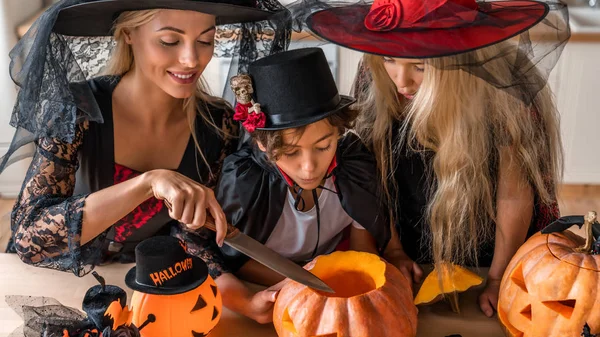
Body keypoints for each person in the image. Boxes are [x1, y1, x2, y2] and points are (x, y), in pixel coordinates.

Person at [297, 0, 570, 316]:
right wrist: (393, 251)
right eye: (389, 60)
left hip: (485, 249)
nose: (401, 81)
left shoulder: (504, 91)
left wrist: (498, 279)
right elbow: (375, 175)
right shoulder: (379, 79)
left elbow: (513, 196)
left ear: (458, 58)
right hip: (407, 246)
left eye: (420, 67)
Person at [1, 0, 289, 275]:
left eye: (205, 40)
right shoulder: (76, 110)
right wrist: (149, 183)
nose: (191, 59)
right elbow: (29, 238)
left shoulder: (217, 123)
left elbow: (190, 233)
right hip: (52, 277)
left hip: (146, 280)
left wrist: (237, 295)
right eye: (169, 41)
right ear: (128, 33)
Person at [188, 47, 390, 323]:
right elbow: (239, 259)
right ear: (261, 144)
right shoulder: (246, 182)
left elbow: (362, 247)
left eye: (323, 146)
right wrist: (306, 281)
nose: (309, 167)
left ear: (339, 133)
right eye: (292, 152)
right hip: (270, 284)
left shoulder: (354, 164)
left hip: (336, 273)